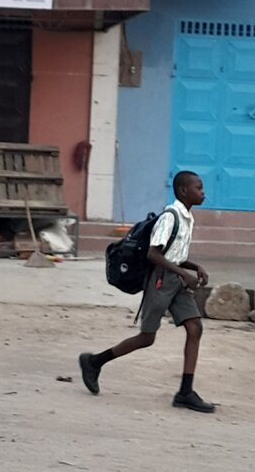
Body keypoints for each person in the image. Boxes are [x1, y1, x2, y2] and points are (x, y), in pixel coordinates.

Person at [79, 171, 215, 414]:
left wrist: (194, 267)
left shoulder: (187, 218)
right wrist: (183, 273)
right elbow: (153, 254)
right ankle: (94, 362)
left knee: (195, 327)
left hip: (176, 280)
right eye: (199, 187)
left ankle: (185, 392)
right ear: (184, 191)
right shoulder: (170, 217)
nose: (203, 192)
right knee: (146, 338)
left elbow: (175, 255)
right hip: (161, 281)